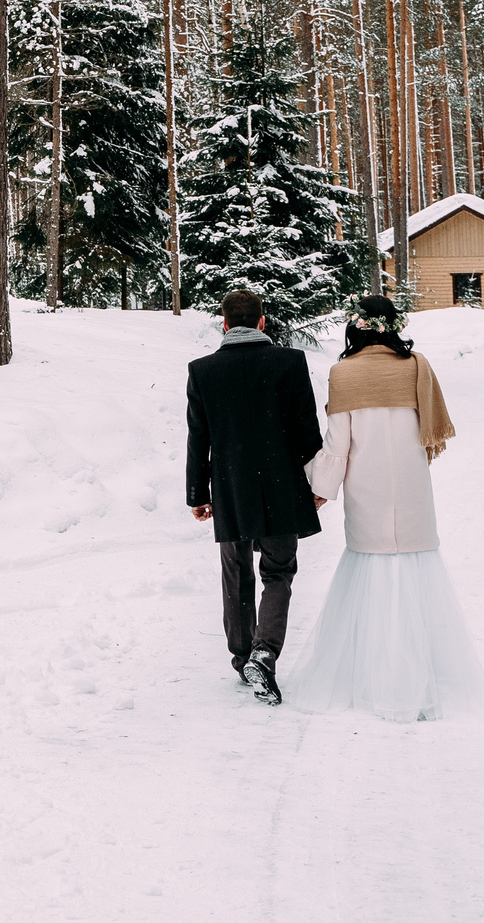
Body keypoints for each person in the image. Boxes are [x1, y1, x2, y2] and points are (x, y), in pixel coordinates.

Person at [288, 295, 484, 720]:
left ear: (356, 327)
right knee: (416, 580)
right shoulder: (417, 366)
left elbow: (338, 446)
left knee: (372, 574)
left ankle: (373, 679)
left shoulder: (343, 374)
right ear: (391, 326)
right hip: (413, 487)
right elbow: (429, 429)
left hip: (368, 488)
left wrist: (319, 489)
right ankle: (422, 680)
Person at [186, 287, 326, 706]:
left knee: (236, 571)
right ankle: (264, 653)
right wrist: (313, 483)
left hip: (230, 490)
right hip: (282, 487)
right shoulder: (290, 362)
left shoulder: (202, 370)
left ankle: (242, 655)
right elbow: (307, 432)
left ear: (225, 324)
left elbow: (199, 438)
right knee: (278, 572)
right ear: (262, 322)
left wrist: (198, 492)